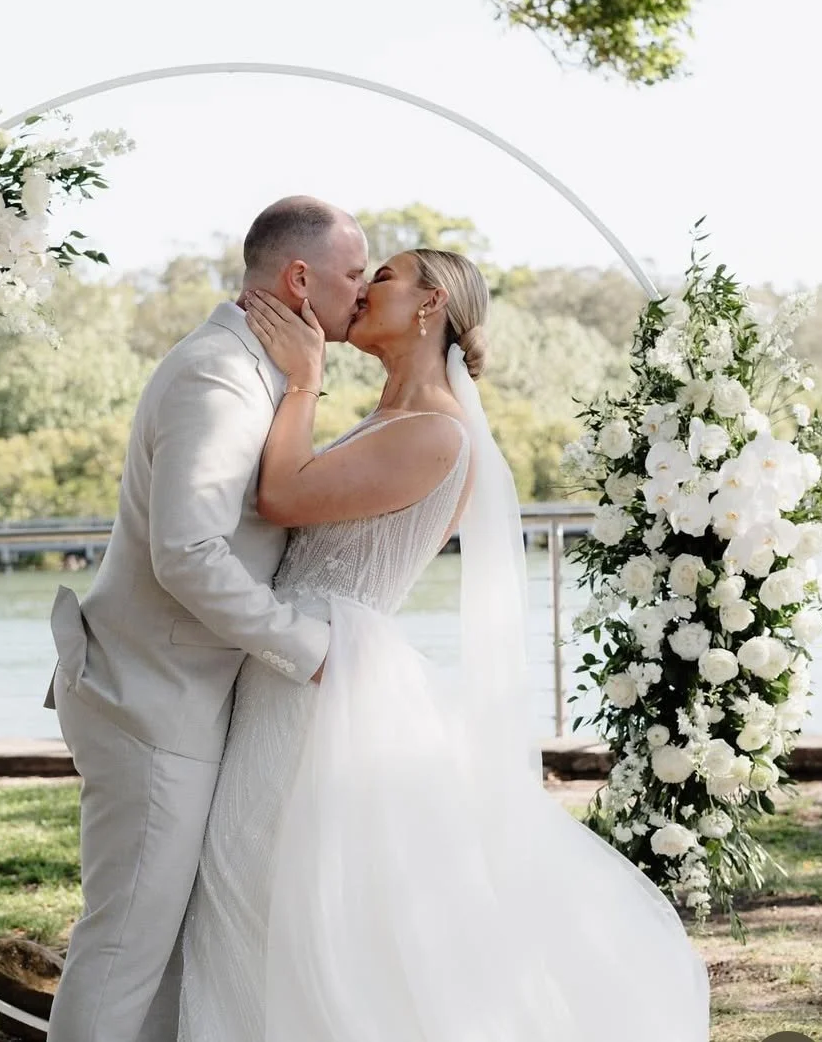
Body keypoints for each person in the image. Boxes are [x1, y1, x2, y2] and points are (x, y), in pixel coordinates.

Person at [177, 248, 711, 1042]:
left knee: (264, 874)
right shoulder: (396, 418)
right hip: (295, 659)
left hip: (321, 670)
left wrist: (301, 381)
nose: (359, 291)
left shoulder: (433, 433)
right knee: (254, 879)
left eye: (381, 278)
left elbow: (281, 494)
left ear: (431, 304)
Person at [43, 196, 369, 1042]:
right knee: (124, 946)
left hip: (179, 691)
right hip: (149, 699)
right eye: (352, 272)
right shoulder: (220, 375)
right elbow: (186, 552)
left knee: (168, 951)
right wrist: (306, 648)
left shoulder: (259, 368)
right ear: (300, 279)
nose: (361, 290)